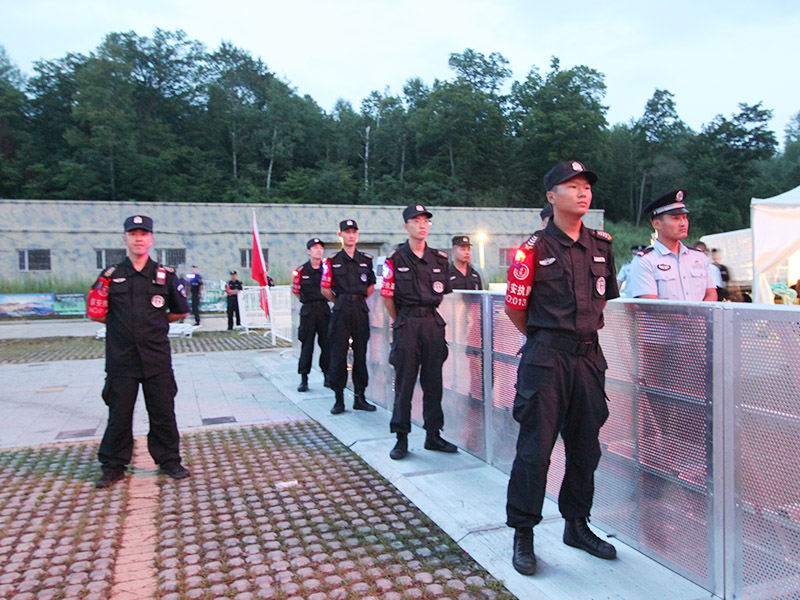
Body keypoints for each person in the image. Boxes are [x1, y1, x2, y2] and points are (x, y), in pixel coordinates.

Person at [504, 160, 619, 576]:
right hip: (547, 361)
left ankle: (577, 525)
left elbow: (604, 301)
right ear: (551, 197)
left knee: (586, 449)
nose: (582, 192)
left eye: (586, 185)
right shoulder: (533, 249)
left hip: (588, 359)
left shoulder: (601, 245)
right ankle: (524, 532)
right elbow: (515, 308)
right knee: (535, 452)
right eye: (572, 186)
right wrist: (545, 339)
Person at [87, 215, 191, 489]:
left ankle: (170, 460)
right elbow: (96, 313)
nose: (138, 239)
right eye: (133, 234)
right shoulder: (110, 276)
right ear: (125, 239)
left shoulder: (165, 276)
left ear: (151, 239)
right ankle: (113, 466)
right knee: (119, 415)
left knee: (163, 413)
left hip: (156, 358)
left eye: (143, 234)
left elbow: (180, 310)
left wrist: (154, 324)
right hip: (121, 359)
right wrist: (121, 326)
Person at [381, 204, 457, 460]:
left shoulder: (439, 259)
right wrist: (402, 321)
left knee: (434, 383)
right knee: (404, 384)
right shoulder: (395, 259)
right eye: (416, 221)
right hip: (407, 324)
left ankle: (433, 435)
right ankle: (401, 438)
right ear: (406, 226)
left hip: (432, 324)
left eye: (426, 220)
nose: (422, 225)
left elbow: (443, 294)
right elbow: (388, 297)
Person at [321, 219, 377, 414]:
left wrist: (358, 300)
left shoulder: (366, 259)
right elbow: (325, 288)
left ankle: (360, 397)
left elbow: (371, 285)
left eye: (354, 232)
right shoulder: (332, 261)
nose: (351, 235)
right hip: (341, 309)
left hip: (360, 308)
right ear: (340, 235)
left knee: (361, 353)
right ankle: (339, 399)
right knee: (338, 354)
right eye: (347, 232)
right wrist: (340, 302)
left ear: (357, 235)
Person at [627, 190, 717, 301]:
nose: (683, 223)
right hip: (663, 314)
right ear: (657, 224)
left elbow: (711, 294)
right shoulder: (645, 261)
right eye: (676, 218)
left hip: (700, 313)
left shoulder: (699, 257)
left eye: (684, 217)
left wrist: (699, 313)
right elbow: (651, 304)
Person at [292, 238, 331, 392]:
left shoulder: (327, 269)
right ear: (309, 251)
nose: (318, 251)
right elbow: (296, 291)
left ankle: (327, 375)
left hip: (324, 310)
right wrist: (307, 301)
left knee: (327, 344)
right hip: (308, 311)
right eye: (315, 248)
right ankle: (304, 379)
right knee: (307, 345)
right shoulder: (302, 271)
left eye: (321, 248)